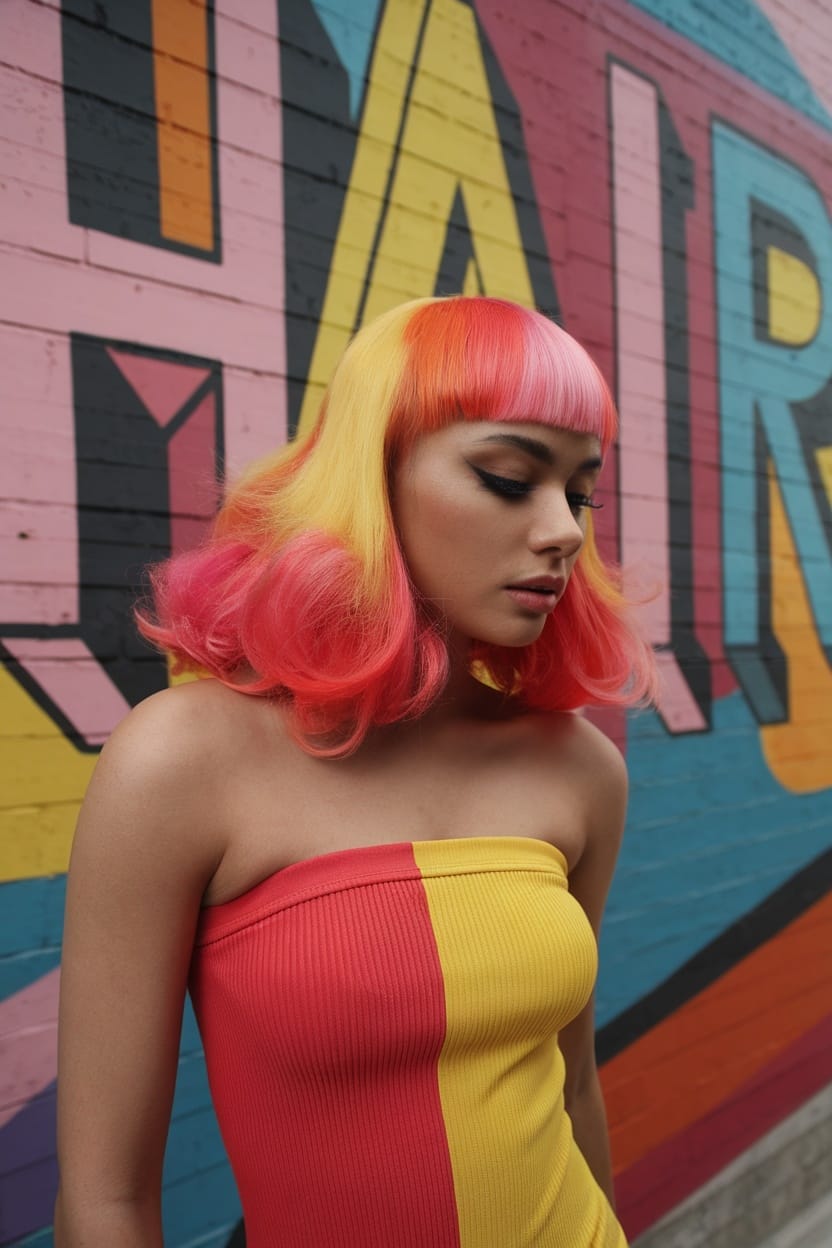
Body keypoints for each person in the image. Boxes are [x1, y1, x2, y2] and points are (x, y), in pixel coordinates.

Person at [55, 295, 657, 1247]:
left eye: (580, 493)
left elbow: (573, 1082)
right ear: (373, 475)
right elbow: (105, 1200)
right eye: (509, 478)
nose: (565, 531)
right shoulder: (182, 763)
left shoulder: (578, 767)